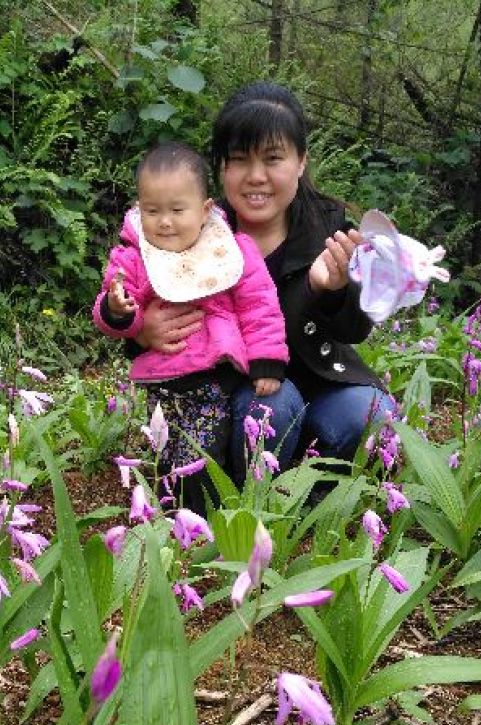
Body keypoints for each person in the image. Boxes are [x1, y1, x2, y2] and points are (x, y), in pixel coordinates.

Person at [135, 82, 397, 483]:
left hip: (320, 385)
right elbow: (133, 294)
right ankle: (250, 498)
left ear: (301, 161)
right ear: (221, 167)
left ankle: (307, 492)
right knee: (273, 404)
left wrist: (330, 291)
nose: (256, 177)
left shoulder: (327, 229)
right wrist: (142, 331)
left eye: (273, 158)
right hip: (237, 395)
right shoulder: (196, 230)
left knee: (370, 413)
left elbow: (355, 329)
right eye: (239, 160)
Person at [93, 141, 289, 512]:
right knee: (163, 453)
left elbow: (260, 305)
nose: (164, 221)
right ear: (138, 210)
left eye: (177, 210)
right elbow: (110, 306)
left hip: (213, 379)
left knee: (199, 457)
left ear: (205, 210)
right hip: (161, 382)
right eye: (152, 211)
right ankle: (169, 516)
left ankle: (197, 522)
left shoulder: (230, 249)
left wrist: (267, 360)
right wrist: (117, 310)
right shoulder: (133, 256)